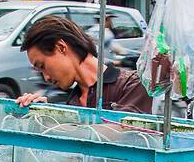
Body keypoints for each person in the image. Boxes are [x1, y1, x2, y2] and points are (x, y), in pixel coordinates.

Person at [16, 15, 153, 114]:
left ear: (61, 47)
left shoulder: (132, 84)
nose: (46, 77)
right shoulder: (72, 101)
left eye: (42, 66)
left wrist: (55, 123)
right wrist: (42, 114)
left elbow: (119, 131)